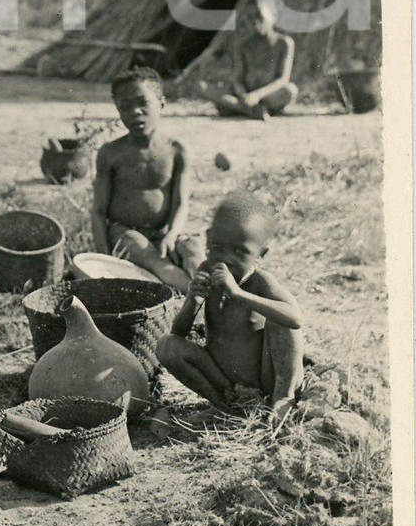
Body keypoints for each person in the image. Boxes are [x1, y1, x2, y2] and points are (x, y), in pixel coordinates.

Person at [156, 192, 304, 424]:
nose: (226, 258)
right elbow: (179, 333)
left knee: (280, 318)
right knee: (167, 345)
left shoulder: (260, 282)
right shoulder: (206, 270)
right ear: (207, 240)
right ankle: (225, 406)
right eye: (217, 246)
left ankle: (283, 399)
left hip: (265, 378)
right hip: (226, 381)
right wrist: (193, 301)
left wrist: (239, 294)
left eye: (239, 252)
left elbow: (295, 319)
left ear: (260, 254)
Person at [91, 68, 200, 294]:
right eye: (125, 106)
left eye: (143, 103)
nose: (135, 112)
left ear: (162, 104)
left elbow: (180, 202)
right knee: (160, 266)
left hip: (166, 229)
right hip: (126, 232)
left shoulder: (177, 150)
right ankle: (199, 296)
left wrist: (171, 235)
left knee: (194, 252)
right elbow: (99, 211)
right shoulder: (111, 153)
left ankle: (218, 291)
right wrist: (104, 256)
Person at [205, 0, 298, 120]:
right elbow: (237, 79)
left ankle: (242, 108)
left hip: (268, 95)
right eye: (249, 18)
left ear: (273, 17)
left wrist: (257, 95)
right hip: (246, 95)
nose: (255, 22)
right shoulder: (241, 45)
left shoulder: (284, 43)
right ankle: (251, 110)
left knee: (290, 90)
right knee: (207, 88)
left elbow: (283, 79)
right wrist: (244, 95)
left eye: (259, 16)